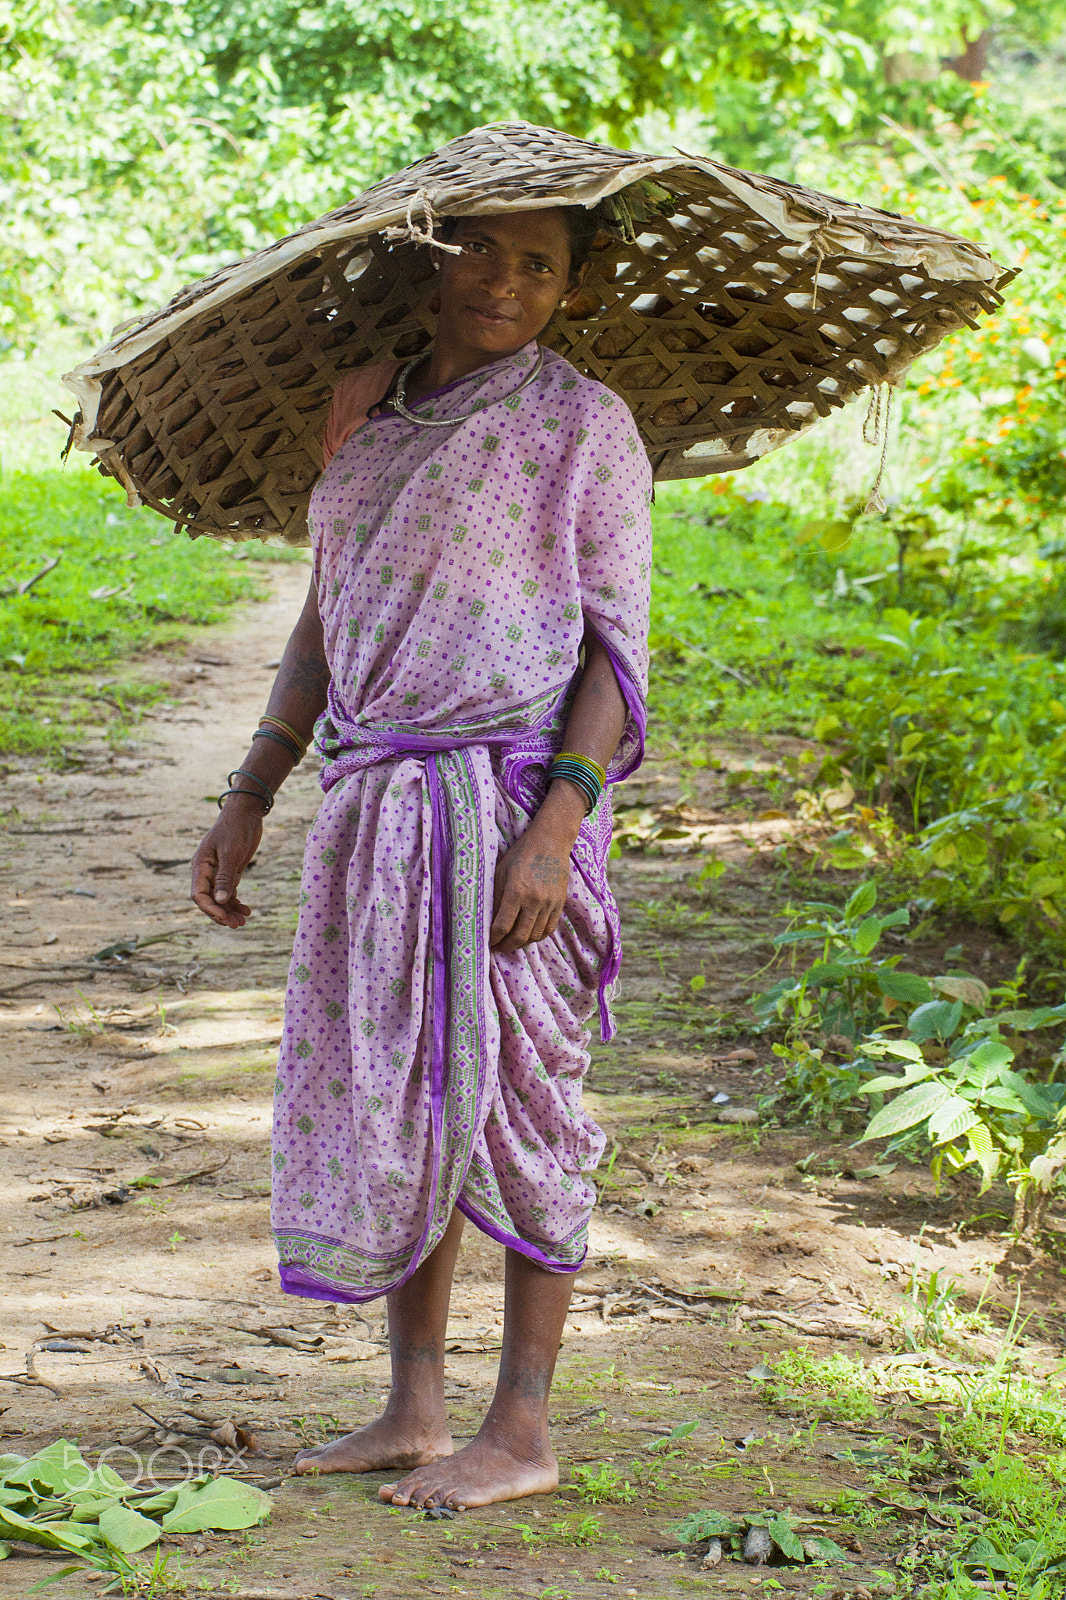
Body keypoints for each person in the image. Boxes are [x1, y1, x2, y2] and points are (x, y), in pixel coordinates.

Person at [190, 202, 652, 1511]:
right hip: (373, 808)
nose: (503, 280)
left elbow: (614, 655)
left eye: (538, 265)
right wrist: (250, 794)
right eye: (480, 250)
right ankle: (411, 1403)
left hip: (513, 813)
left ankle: (521, 1428)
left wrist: (554, 831)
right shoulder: (365, 413)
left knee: (523, 1099)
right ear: (425, 258)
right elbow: (322, 621)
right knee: (400, 1088)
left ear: (566, 291)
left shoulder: (582, 426)